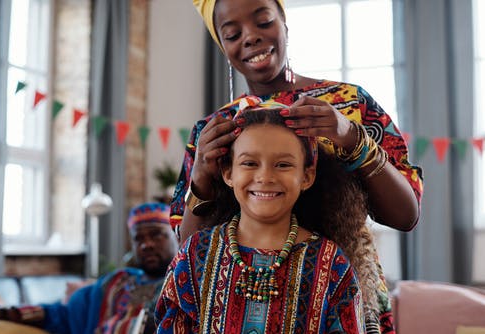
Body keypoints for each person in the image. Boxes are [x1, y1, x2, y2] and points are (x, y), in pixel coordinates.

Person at [170, 0, 424, 332]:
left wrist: (350, 136)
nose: (251, 37)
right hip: (240, 305)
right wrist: (202, 174)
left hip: (340, 295)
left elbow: (405, 215)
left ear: (285, 25)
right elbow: (190, 252)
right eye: (232, 34)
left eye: (263, 22)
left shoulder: (348, 104)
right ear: (223, 45)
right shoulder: (214, 129)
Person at [156, 102, 371, 333]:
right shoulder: (196, 252)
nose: (265, 176)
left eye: (283, 165)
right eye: (249, 163)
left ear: (307, 176)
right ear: (228, 172)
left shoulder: (330, 263)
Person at [0, 202, 178, 334]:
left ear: (176, 237)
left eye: (157, 235)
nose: (146, 244)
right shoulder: (116, 282)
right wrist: (3, 313)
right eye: (138, 238)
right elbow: (61, 314)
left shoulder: (184, 284)